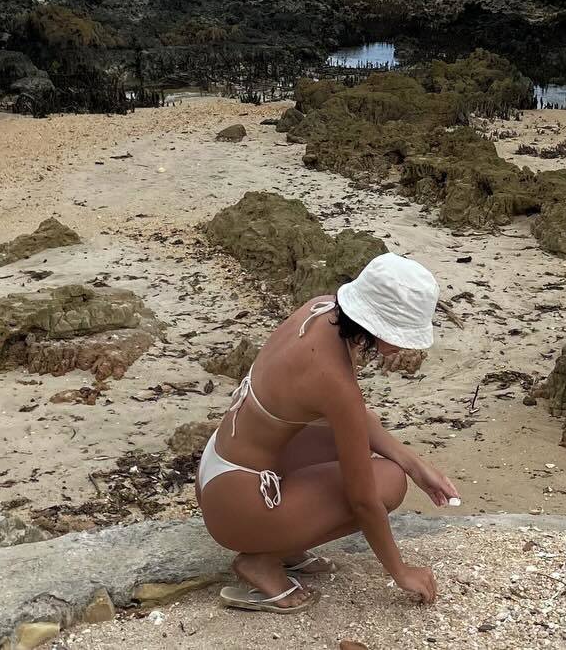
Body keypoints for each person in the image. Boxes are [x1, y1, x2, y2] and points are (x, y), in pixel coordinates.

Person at [196, 252, 460, 614]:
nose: (405, 346)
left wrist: (416, 465)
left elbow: (357, 420)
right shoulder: (333, 380)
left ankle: (284, 541)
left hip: (222, 468)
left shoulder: (320, 309)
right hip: (235, 505)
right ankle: (261, 559)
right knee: (388, 482)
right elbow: (363, 500)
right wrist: (400, 572)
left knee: (366, 442)